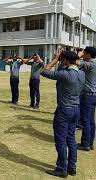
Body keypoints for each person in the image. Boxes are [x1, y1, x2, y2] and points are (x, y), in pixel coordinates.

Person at [41, 50, 85, 178]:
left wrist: (54, 59)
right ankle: (72, 167)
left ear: (65, 60)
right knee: (71, 139)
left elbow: (44, 71)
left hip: (64, 110)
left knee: (60, 140)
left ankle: (61, 168)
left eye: (62, 59)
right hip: (76, 109)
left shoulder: (65, 74)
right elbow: (71, 65)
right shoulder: (81, 74)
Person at [76, 47, 96, 151]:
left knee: (86, 120)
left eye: (85, 53)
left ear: (88, 54)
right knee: (91, 120)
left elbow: (75, 62)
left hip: (88, 96)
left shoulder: (90, 64)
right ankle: (90, 142)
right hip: (94, 95)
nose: (83, 55)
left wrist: (78, 54)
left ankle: (85, 144)